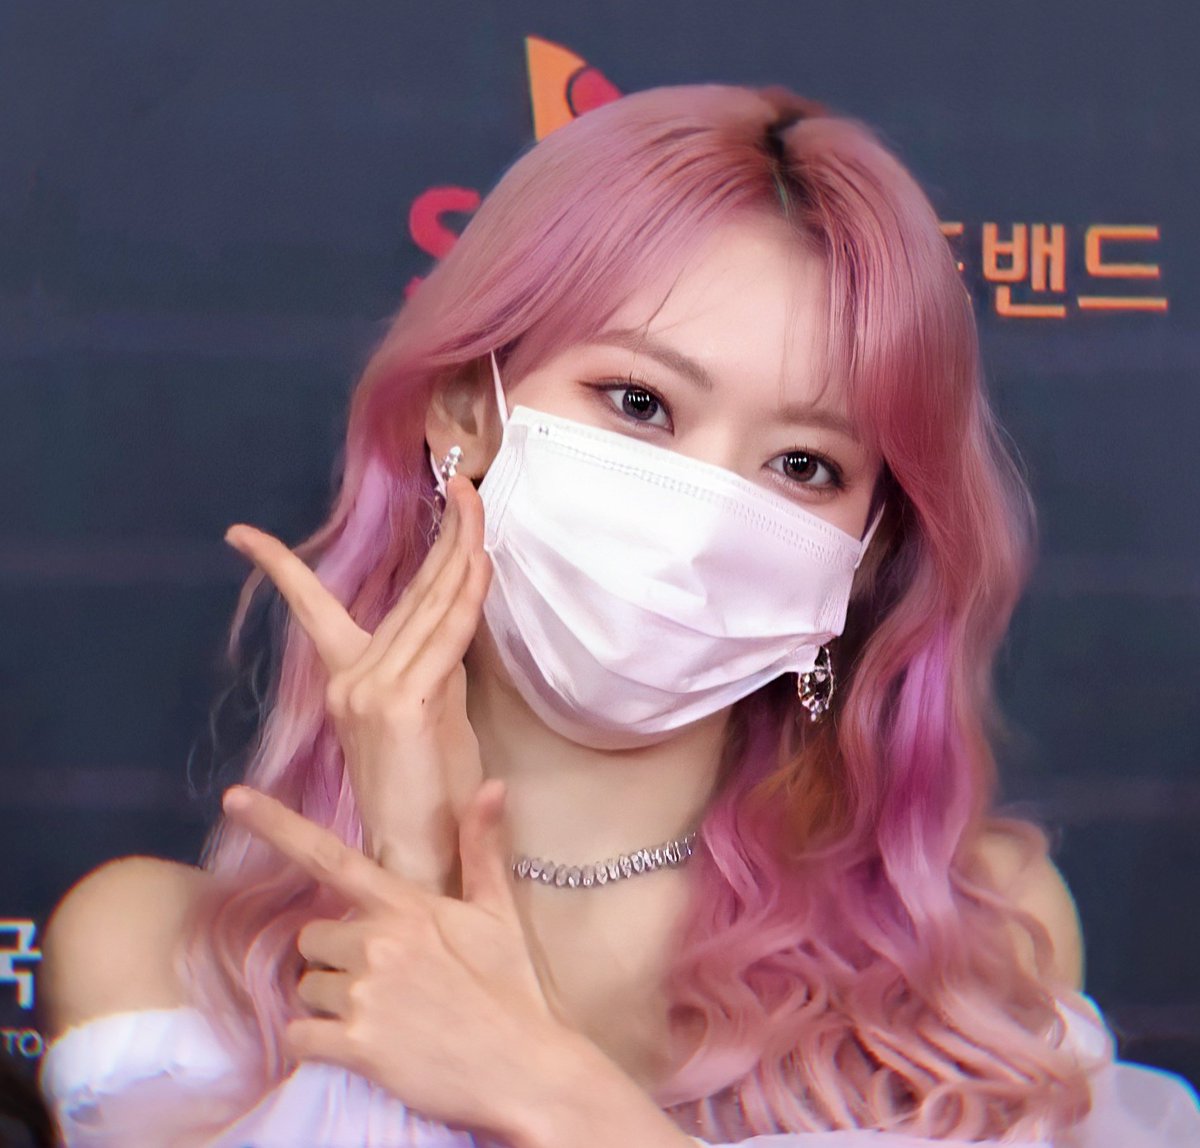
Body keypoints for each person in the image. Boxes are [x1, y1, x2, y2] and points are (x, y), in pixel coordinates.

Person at [34, 83, 1200, 1147]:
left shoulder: (978, 947)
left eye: (804, 465)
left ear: (866, 552)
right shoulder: (159, 965)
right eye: (639, 402)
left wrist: (548, 1087)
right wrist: (415, 882)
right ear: (464, 412)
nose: (706, 518)